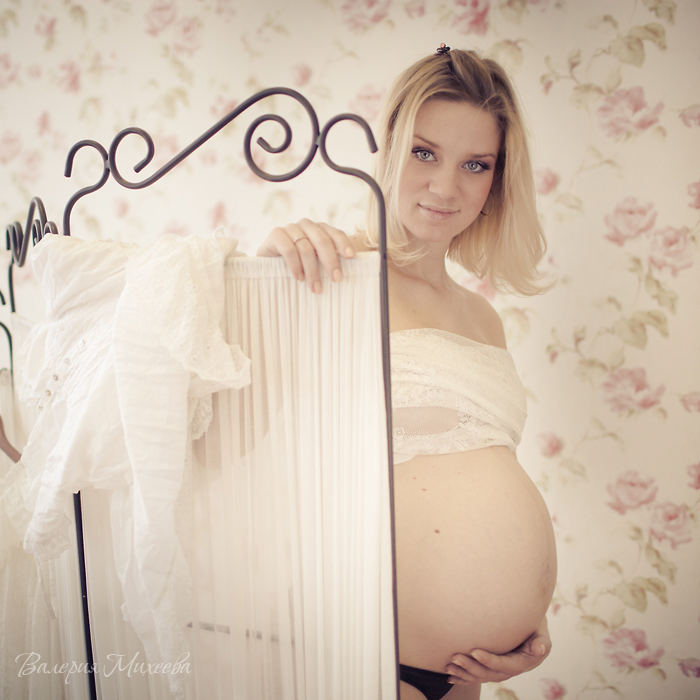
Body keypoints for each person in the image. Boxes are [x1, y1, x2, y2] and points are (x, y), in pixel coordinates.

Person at [257, 46, 556, 700]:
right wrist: (260, 271)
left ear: (497, 179)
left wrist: (525, 616)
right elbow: (229, 422)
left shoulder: (484, 318)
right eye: (424, 153)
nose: (446, 188)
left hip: (469, 671)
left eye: (475, 164)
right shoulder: (329, 278)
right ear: (388, 150)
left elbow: (480, 470)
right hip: (368, 654)